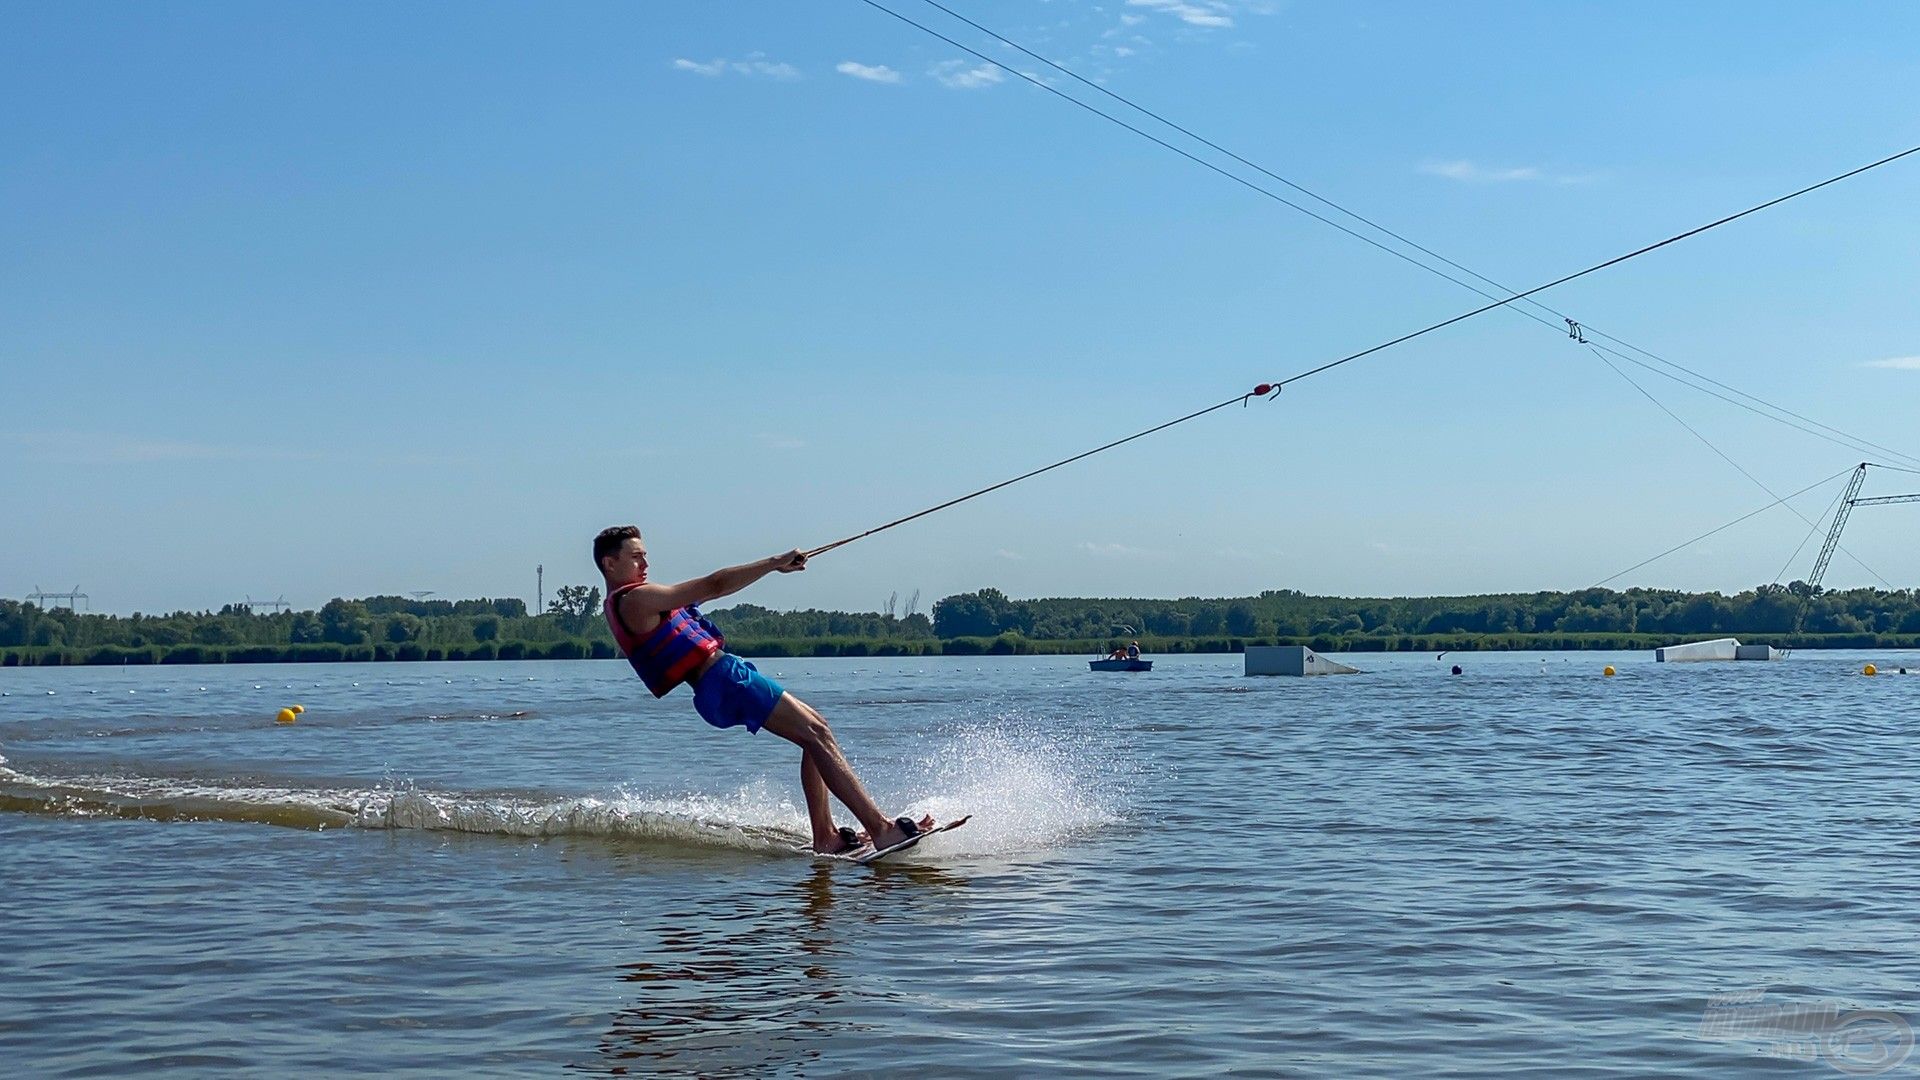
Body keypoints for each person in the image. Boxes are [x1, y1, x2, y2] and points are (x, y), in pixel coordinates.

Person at [593, 525, 929, 855]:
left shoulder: (630, 602)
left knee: (816, 732)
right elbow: (714, 585)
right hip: (725, 680)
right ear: (610, 564)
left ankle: (825, 836)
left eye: (645, 556)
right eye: (636, 557)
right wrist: (774, 563)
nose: (645, 564)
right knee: (816, 733)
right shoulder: (634, 600)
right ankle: (881, 829)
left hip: (719, 683)